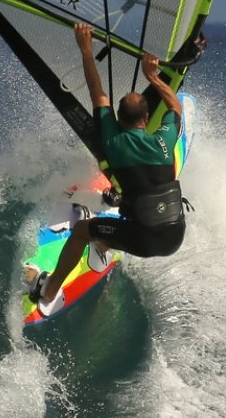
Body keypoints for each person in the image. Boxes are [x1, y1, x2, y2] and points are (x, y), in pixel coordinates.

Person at [29, 23, 186, 307]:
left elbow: (98, 94)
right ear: (147, 117)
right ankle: (103, 242)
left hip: (145, 239)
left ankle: (49, 291)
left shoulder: (113, 143)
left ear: (119, 120)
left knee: (81, 231)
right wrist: (153, 76)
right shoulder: (164, 141)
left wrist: (86, 51)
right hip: (175, 235)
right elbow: (176, 107)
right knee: (130, 201)